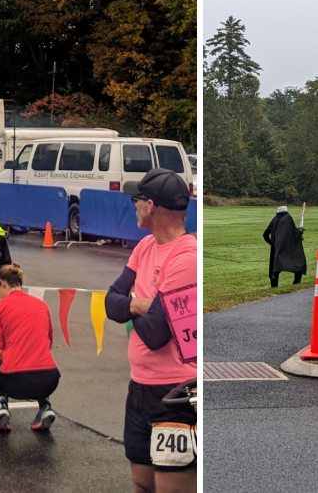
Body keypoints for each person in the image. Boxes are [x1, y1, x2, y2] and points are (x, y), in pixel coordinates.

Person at [105, 169, 197, 491]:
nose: (134, 206)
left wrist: (131, 304)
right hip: (140, 388)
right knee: (141, 483)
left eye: (137, 200)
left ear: (151, 205)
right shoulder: (144, 247)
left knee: (171, 487)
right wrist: (141, 304)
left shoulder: (187, 257)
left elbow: (156, 334)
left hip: (174, 392)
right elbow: (110, 302)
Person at [0, 263, 60, 432]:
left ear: (3, 284)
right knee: (38, 360)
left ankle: (2, 407)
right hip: (50, 379)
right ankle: (45, 406)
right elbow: (48, 343)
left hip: (13, 381)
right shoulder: (42, 305)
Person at [263, 205, 305, 287]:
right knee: (299, 260)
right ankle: (296, 282)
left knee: (275, 267)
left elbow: (265, 234)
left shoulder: (274, 219)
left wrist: (273, 244)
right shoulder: (288, 218)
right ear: (286, 211)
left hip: (276, 248)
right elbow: (294, 233)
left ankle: (274, 286)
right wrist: (300, 231)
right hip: (287, 248)